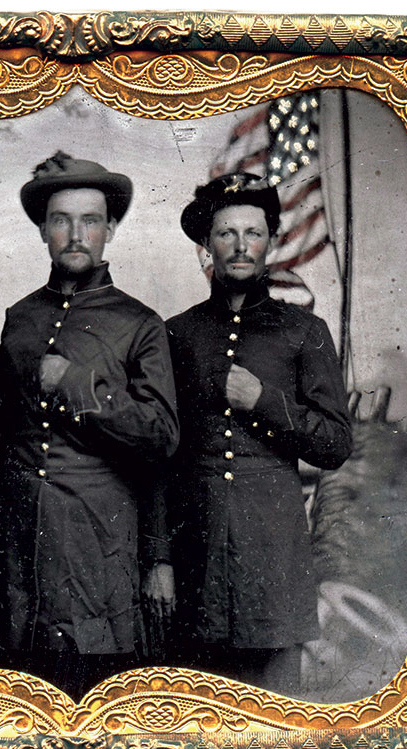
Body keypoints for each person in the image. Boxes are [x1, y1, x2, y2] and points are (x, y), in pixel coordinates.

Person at [0, 152, 179, 699]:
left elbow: (161, 435)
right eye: (62, 220)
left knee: (95, 712)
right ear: (43, 229)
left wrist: (75, 384)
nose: (76, 234)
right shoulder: (19, 317)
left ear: (110, 230)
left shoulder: (140, 324)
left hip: (98, 555)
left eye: (90, 221)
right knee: (16, 716)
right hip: (17, 554)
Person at [164, 172, 352, 692]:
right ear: (207, 246)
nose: (240, 246)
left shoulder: (305, 332)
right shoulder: (177, 333)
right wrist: (159, 557)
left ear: (271, 241)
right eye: (226, 233)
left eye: (253, 232)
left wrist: (264, 401)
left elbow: (336, 444)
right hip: (195, 562)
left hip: (273, 563)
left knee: (276, 725)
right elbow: (161, 456)